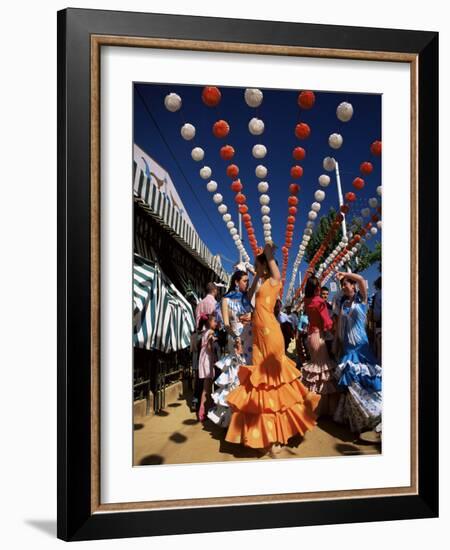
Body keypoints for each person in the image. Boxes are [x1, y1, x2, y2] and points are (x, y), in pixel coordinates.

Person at [225, 242, 320, 453]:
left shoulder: (275, 281)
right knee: (261, 383)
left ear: (266, 265)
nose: (256, 270)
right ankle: (265, 433)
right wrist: (257, 275)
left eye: (260, 266)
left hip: (271, 335)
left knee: (275, 382)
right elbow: (247, 298)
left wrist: (267, 254)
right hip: (259, 338)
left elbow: (273, 268)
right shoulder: (261, 282)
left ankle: (278, 434)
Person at [333, 271, 382, 434]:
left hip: (361, 348)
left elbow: (361, 279)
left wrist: (345, 273)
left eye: (347, 283)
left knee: (366, 381)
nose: (344, 286)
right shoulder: (343, 304)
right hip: (348, 348)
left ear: (353, 285)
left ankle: (375, 413)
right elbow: (340, 326)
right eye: (342, 285)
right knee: (352, 384)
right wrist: (337, 342)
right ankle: (359, 419)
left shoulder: (362, 299)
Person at [208, 270, 254, 427]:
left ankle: (248, 418)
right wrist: (235, 338)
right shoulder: (226, 300)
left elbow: (257, 286)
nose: (247, 283)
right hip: (235, 341)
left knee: (249, 377)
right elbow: (226, 324)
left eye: (248, 281)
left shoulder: (247, 298)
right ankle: (234, 421)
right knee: (236, 377)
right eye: (244, 281)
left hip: (250, 341)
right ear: (236, 282)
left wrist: (255, 272)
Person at [302, 276, 339, 417]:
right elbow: (328, 322)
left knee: (315, 371)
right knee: (322, 372)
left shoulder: (307, 301)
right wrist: (336, 326)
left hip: (310, 336)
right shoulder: (319, 302)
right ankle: (320, 408)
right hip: (319, 337)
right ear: (316, 287)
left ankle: (313, 405)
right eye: (318, 286)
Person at [197, 313, 218, 422]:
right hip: (208, 361)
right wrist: (214, 357)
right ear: (209, 322)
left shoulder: (204, 332)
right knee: (207, 388)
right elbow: (210, 347)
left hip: (204, 360)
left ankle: (206, 409)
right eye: (215, 321)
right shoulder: (210, 332)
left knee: (207, 387)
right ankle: (203, 411)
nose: (216, 323)